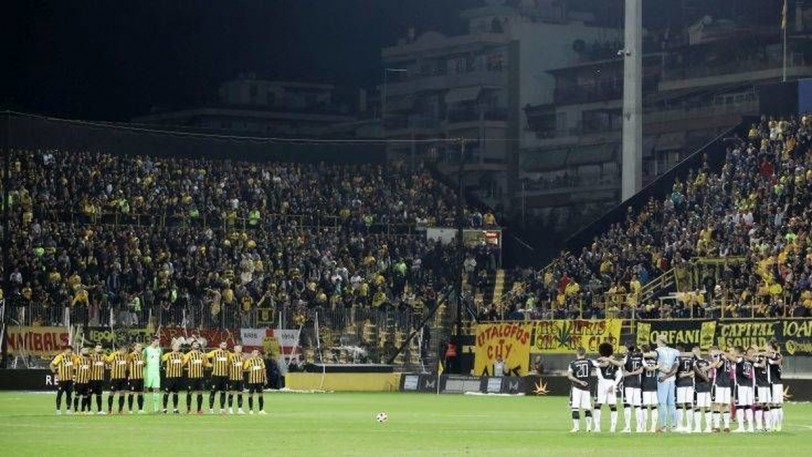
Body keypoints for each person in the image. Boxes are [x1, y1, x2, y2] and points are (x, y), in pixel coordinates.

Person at [642, 336, 679, 432]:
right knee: (671, 403)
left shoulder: (658, 350)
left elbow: (646, 355)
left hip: (661, 378)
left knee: (662, 403)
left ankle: (663, 426)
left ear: (658, 341)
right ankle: (674, 426)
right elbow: (676, 365)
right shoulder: (674, 351)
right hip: (672, 378)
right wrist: (669, 372)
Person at [566, 347, 597, 433]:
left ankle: (576, 428)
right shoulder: (589, 361)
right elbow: (601, 365)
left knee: (575, 407)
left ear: (577, 353)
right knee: (587, 408)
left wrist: (580, 381)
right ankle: (589, 427)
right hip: (586, 388)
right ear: (585, 353)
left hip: (576, 388)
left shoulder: (572, 363)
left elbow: (569, 376)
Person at [593, 343, 621, 433]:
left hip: (602, 384)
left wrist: (605, 385)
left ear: (601, 351)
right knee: (612, 406)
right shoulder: (615, 362)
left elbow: (598, 373)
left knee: (597, 405)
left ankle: (597, 427)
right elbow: (619, 374)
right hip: (611, 383)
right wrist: (614, 385)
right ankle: (612, 428)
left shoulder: (600, 361)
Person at [620, 343, 644, 433]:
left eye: (625, 348)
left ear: (627, 349)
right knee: (637, 406)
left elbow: (621, 365)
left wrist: (628, 373)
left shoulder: (626, 357)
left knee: (627, 405)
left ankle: (627, 427)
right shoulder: (640, 357)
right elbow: (641, 370)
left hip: (628, 384)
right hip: (637, 384)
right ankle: (639, 428)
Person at [709, 346, 734, 432]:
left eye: (712, 351)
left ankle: (717, 427)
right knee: (725, 404)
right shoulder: (727, 358)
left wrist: (711, 364)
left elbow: (718, 366)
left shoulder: (720, 357)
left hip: (718, 383)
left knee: (717, 404)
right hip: (726, 383)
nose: (711, 353)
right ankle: (726, 426)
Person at [732, 346, 756, 433]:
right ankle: (750, 427)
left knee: (739, 406)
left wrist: (723, 353)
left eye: (734, 351)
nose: (733, 353)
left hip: (740, 385)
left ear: (738, 352)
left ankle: (741, 427)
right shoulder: (749, 361)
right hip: (748, 386)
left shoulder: (740, 359)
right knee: (748, 406)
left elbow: (734, 359)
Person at [691, 346, 713, 433]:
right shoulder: (707, 362)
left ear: (696, 352)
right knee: (707, 407)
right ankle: (708, 428)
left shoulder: (694, 362)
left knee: (697, 407)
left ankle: (698, 428)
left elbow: (694, 373)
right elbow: (710, 374)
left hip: (698, 387)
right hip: (707, 387)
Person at [50, 345, 77, 415]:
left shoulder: (73, 356)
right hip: (62, 379)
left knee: (69, 395)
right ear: (65, 351)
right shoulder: (60, 357)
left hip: (70, 379)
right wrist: (55, 373)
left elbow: (77, 362)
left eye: (71, 352)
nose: (70, 353)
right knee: (59, 394)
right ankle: (58, 409)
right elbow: (52, 365)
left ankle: (68, 409)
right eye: (68, 352)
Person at [206, 341, 231, 414]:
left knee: (223, 393)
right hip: (216, 376)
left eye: (226, 344)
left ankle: (222, 409)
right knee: (213, 392)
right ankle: (211, 409)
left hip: (224, 376)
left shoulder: (228, 353)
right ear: (220, 345)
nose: (225, 345)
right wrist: (209, 364)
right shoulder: (215, 352)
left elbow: (229, 362)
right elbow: (205, 356)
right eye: (223, 344)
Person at [674, 344, 695, 433]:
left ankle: (680, 425)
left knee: (679, 405)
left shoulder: (678, 359)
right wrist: (688, 374)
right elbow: (695, 371)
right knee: (688, 405)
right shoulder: (691, 359)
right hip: (689, 383)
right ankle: (689, 426)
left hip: (680, 384)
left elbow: (675, 370)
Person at [753, 345, 773, 432]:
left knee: (761, 404)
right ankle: (763, 426)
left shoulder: (760, 357)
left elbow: (763, 364)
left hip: (761, 384)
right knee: (762, 404)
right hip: (762, 384)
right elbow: (763, 364)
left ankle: (763, 426)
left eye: (754, 349)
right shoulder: (760, 358)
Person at [184, 342, 207, 414]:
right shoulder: (189, 354)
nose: (196, 345)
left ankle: (199, 410)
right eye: (195, 344)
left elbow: (205, 364)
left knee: (200, 393)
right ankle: (188, 409)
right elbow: (183, 362)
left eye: (197, 344)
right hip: (191, 377)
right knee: (189, 393)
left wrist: (213, 364)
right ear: (191, 346)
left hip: (200, 377)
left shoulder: (201, 355)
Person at [161, 343, 185, 414]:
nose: (177, 347)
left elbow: (185, 360)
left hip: (178, 377)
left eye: (178, 346)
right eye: (176, 346)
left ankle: (175, 409)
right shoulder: (168, 355)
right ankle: (165, 409)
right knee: (166, 393)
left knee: (176, 393)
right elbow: (161, 358)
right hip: (170, 377)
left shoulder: (181, 355)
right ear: (172, 347)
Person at [640, 345, 659, 433]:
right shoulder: (655, 360)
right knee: (654, 406)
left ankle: (643, 427)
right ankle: (653, 427)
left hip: (645, 385)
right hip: (654, 385)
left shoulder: (642, 360)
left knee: (644, 406)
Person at [106, 346, 129, 414]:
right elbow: (108, 361)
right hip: (115, 378)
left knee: (122, 393)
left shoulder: (126, 356)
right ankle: (109, 409)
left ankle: (120, 410)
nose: (125, 352)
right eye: (124, 350)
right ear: (120, 350)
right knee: (112, 393)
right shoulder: (114, 355)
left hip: (123, 378)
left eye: (125, 351)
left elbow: (127, 365)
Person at [244, 349, 268, 415]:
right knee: (250, 394)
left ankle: (261, 410)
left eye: (257, 352)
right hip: (252, 380)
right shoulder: (249, 360)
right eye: (254, 352)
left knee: (260, 394)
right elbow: (244, 369)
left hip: (259, 380)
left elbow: (263, 370)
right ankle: (251, 410)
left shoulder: (260, 360)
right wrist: (251, 369)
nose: (255, 353)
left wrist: (265, 379)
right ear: (252, 353)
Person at [767, 340, 783, 431]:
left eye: (767, 346)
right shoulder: (780, 355)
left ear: (770, 346)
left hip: (773, 382)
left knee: (773, 404)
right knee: (778, 405)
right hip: (779, 382)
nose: (766, 348)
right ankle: (779, 426)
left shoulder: (773, 354)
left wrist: (760, 353)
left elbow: (772, 357)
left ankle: (773, 426)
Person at [144, 337, 163, 413]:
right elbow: (142, 358)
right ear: (152, 341)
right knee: (146, 389)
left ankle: (156, 409)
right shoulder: (147, 349)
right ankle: (143, 408)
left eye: (158, 341)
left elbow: (161, 359)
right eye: (156, 341)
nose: (157, 343)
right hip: (148, 372)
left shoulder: (159, 350)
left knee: (157, 389)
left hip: (156, 373)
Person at [126, 343, 146, 414]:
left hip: (140, 377)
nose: (140, 348)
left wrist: (144, 363)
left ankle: (140, 409)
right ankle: (130, 409)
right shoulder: (131, 355)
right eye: (138, 346)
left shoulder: (141, 355)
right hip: (133, 377)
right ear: (135, 347)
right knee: (131, 393)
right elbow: (127, 365)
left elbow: (144, 364)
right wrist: (128, 375)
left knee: (140, 393)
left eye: (141, 347)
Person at [73, 347, 93, 414]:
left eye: (87, 350)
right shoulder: (78, 359)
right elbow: (74, 369)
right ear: (81, 351)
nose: (86, 351)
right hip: (79, 381)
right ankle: (76, 410)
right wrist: (74, 379)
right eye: (84, 350)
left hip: (86, 382)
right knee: (77, 396)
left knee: (85, 396)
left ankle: (83, 410)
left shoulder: (89, 360)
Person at [227, 345, 246, 415]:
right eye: (239, 347)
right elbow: (227, 365)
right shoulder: (231, 357)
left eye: (241, 348)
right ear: (235, 349)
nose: (240, 348)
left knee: (240, 394)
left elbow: (243, 366)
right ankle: (230, 409)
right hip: (233, 378)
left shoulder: (242, 357)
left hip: (240, 378)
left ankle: (240, 409)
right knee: (231, 393)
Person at [89, 344, 107, 414]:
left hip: (100, 379)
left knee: (99, 395)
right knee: (89, 394)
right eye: (98, 348)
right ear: (94, 349)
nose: (99, 349)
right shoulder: (90, 357)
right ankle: (89, 410)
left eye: (100, 348)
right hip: (92, 379)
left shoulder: (103, 357)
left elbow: (109, 360)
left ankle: (100, 410)